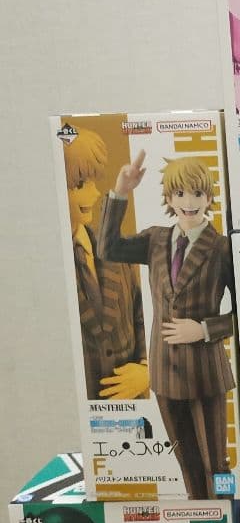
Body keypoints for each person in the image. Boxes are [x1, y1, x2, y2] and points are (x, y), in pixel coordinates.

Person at [98, 150, 236, 500]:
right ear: (169, 198)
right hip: (164, 372)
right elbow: (108, 249)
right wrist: (121, 191)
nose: (189, 202)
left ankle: (226, 517)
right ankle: (200, 516)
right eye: (180, 193)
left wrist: (204, 329)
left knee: (216, 464)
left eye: (197, 193)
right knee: (187, 463)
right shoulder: (156, 240)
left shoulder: (222, 248)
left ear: (208, 198)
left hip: (205, 373)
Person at [61, 127, 149, 401]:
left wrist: (146, 368)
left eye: (93, 182)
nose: (95, 193)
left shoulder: (113, 251)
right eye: (79, 185)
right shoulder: (53, 264)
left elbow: (141, 313)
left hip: (134, 404)